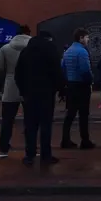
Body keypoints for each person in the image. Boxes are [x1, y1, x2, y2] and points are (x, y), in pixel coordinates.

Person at [14, 30, 63, 165]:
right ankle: (46, 155)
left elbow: (18, 73)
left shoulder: (26, 51)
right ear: (48, 38)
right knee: (46, 125)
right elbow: (57, 71)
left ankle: (29, 155)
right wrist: (58, 88)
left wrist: (23, 91)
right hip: (46, 94)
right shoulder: (51, 50)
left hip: (29, 94)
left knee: (30, 125)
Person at [0, 25, 32, 158]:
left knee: (7, 120)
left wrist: (6, 74)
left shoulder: (6, 48)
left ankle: (3, 149)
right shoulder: (33, 47)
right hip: (29, 87)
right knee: (31, 120)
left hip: (11, 86)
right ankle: (31, 148)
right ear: (28, 33)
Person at [61, 28, 96, 150]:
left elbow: (63, 68)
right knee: (83, 114)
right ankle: (85, 140)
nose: (88, 39)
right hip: (82, 86)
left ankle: (65, 140)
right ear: (81, 38)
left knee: (70, 114)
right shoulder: (82, 52)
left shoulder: (68, 51)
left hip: (71, 85)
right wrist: (91, 80)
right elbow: (85, 70)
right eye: (86, 37)